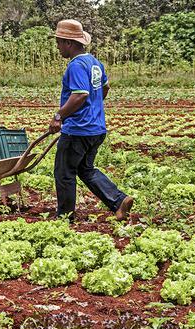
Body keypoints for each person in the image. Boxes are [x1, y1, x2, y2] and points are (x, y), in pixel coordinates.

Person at [49, 19, 133, 222]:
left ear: (69, 43)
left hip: (78, 130)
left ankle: (64, 217)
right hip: (96, 128)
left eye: (59, 42)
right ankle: (118, 200)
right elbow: (104, 89)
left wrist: (59, 116)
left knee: (64, 172)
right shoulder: (95, 63)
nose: (58, 47)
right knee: (85, 169)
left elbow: (80, 95)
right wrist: (92, 109)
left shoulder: (76, 65)